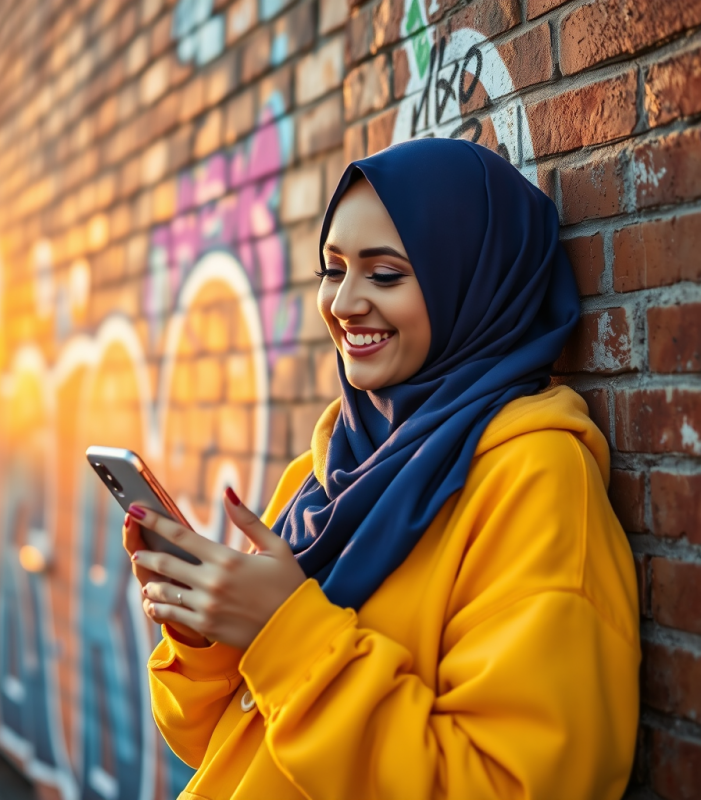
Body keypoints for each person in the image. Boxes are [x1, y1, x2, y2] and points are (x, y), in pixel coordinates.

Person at [123, 139, 640, 800]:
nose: (343, 303)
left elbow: (509, 783)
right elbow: (216, 742)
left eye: (385, 274)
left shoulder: (534, 480)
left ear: (471, 283)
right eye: (332, 269)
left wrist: (286, 634)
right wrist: (205, 634)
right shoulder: (330, 466)